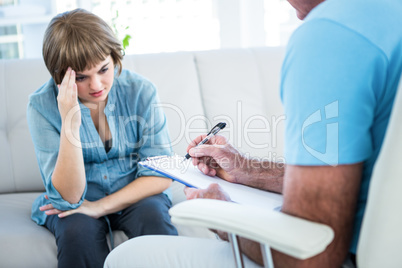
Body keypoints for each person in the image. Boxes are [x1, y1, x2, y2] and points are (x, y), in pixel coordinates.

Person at [104, 0, 402, 267]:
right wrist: (247, 169)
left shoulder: (327, 35)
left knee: (127, 257)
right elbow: (347, 177)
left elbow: (312, 256)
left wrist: (222, 217)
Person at [27, 8, 178, 268]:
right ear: (60, 76)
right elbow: (69, 198)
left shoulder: (140, 91)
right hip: (78, 201)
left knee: (154, 218)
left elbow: (162, 173)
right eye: (82, 77)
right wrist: (70, 122)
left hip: (135, 193)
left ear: (114, 57)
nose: (97, 86)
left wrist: (100, 207)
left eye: (104, 69)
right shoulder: (41, 106)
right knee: (76, 233)